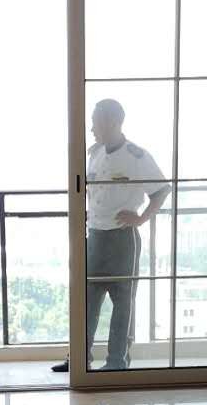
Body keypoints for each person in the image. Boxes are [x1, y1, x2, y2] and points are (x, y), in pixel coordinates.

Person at [53, 98, 170, 373]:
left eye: (96, 123)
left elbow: (162, 190)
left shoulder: (137, 156)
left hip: (122, 239)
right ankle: (79, 359)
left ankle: (116, 363)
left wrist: (141, 218)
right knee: (87, 301)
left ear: (113, 122)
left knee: (122, 304)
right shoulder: (94, 153)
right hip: (95, 236)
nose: (92, 129)